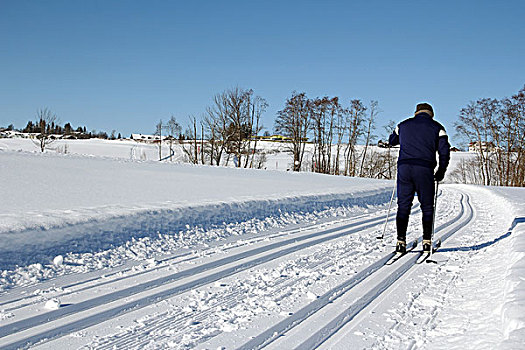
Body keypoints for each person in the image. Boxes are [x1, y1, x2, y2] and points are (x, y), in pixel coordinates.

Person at [389, 103, 450, 253]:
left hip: (404, 169)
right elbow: (444, 152)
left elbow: (392, 141)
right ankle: (427, 241)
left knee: (403, 205)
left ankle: (400, 241)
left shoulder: (403, 125)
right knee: (427, 206)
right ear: (431, 114)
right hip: (424, 169)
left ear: (416, 113)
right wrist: (441, 171)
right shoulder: (438, 128)